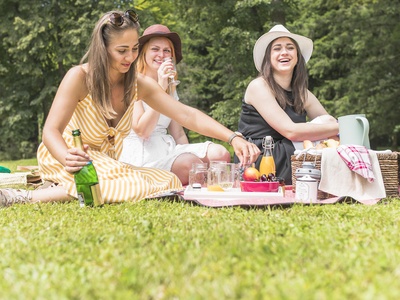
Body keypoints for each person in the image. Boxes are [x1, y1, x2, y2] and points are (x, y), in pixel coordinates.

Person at [0, 9, 260, 207]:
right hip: (69, 155)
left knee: (168, 180)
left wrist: (232, 136)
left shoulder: (139, 84)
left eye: (135, 49)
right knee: (120, 181)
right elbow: (50, 131)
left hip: (109, 162)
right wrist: (67, 157)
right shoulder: (78, 77)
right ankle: (24, 196)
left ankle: (69, 187)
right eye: (122, 50)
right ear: (103, 49)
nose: (130, 57)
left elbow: (186, 115)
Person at [119, 24, 230, 185]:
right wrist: (160, 88)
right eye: (155, 49)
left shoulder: (170, 86)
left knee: (220, 154)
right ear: (143, 53)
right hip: (143, 154)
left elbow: (178, 133)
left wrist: (186, 153)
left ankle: (199, 179)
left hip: (167, 149)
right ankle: (202, 179)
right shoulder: (133, 83)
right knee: (193, 166)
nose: (161, 55)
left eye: (167, 51)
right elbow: (142, 131)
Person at [235, 24, 339, 184]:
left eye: (290, 47)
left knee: (330, 131)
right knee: (327, 134)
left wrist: (335, 130)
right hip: (261, 157)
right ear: (268, 57)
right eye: (277, 48)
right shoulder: (258, 86)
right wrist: (343, 127)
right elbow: (290, 131)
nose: (284, 52)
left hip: (290, 150)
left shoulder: (301, 92)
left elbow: (328, 122)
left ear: (297, 56)